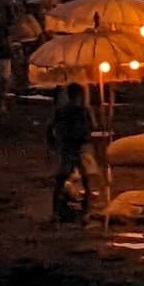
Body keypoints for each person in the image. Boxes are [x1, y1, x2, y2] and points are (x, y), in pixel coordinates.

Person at [48, 83, 94, 222]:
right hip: (73, 147)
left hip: (71, 147)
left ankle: (57, 211)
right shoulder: (78, 111)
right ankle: (85, 210)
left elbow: (51, 128)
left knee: (67, 179)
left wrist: (53, 143)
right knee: (79, 178)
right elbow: (89, 128)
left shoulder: (65, 110)